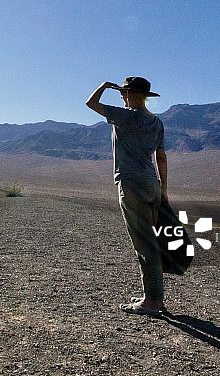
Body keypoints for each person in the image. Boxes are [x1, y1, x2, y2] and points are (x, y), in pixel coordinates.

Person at [86, 76, 168, 316]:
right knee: (150, 240)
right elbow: (161, 156)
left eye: (123, 94)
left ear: (132, 95)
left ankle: (153, 301)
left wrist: (102, 86)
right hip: (152, 183)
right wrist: (163, 189)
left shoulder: (126, 116)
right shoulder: (157, 123)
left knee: (145, 243)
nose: (122, 98)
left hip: (131, 183)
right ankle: (152, 295)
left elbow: (91, 103)